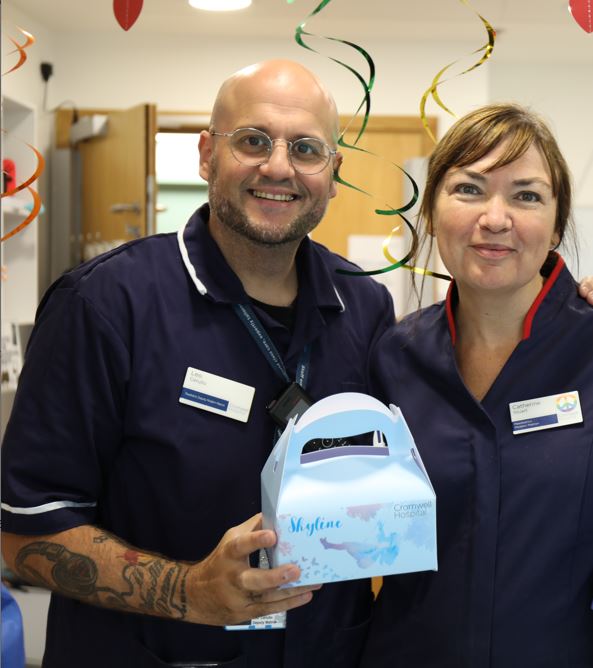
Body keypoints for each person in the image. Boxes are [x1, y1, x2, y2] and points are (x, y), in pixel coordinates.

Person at [0, 60, 395, 668]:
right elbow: (25, 532)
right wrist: (190, 593)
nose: (279, 167)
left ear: (334, 174)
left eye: (307, 149)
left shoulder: (364, 306)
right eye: (254, 141)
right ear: (207, 154)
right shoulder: (105, 304)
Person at [361, 103, 593, 667]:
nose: (495, 218)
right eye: (468, 189)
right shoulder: (393, 358)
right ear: (433, 213)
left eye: (526, 195)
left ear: (558, 222)